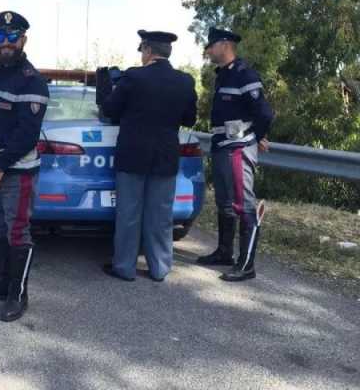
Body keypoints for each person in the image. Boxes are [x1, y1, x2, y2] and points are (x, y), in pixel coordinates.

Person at [0, 11, 49, 322]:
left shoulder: (32, 81)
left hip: (17, 170)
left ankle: (18, 295)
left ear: (23, 39)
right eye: (0, 36)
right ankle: (0, 284)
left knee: (18, 233)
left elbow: (26, 134)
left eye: (11, 35)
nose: (5, 42)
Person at [101, 30, 198, 282]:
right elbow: (189, 118)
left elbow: (111, 109)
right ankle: (160, 268)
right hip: (165, 156)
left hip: (132, 155)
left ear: (147, 51)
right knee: (161, 215)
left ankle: (124, 267)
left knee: (129, 213)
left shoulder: (133, 77)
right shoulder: (185, 81)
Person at [196, 27, 273, 282]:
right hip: (221, 145)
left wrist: (255, 136)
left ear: (225, 44)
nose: (208, 50)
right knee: (224, 202)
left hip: (238, 148)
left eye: (211, 45)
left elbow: (263, 113)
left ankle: (246, 264)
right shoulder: (223, 76)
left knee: (244, 204)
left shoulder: (244, 74)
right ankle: (224, 252)